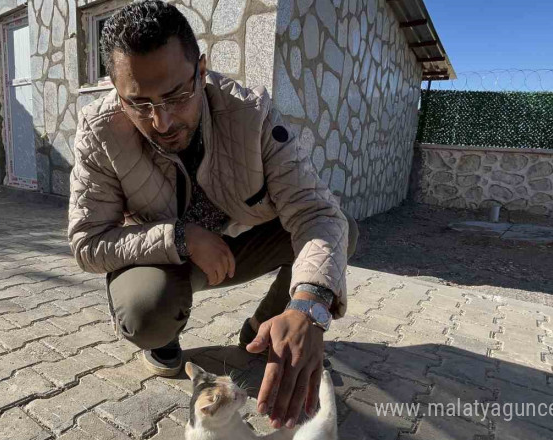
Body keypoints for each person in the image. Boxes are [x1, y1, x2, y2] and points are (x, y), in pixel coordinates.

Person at [68, 0, 357, 430]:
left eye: (176, 95)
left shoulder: (252, 112)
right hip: (169, 259)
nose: (162, 120)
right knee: (144, 309)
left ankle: (265, 332)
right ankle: (162, 341)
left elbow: (317, 213)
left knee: (342, 232)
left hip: (243, 242)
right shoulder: (98, 131)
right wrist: (181, 238)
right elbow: (88, 243)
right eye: (139, 103)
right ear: (115, 89)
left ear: (202, 71)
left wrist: (310, 306)